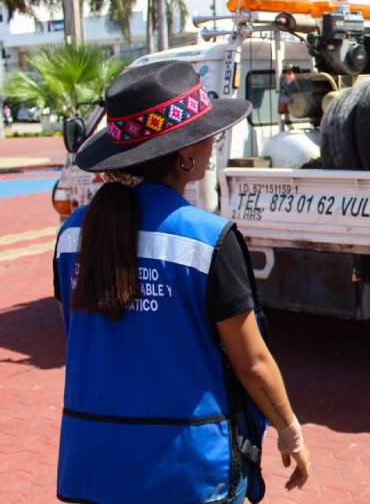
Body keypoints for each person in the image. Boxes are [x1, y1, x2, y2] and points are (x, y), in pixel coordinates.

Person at [53, 61, 311, 503]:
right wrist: (290, 432)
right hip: (186, 469)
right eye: (208, 133)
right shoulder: (209, 240)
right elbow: (252, 363)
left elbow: (81, 336)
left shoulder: (71, 236)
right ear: (185, 156)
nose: (215, 142)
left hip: (93, 463)